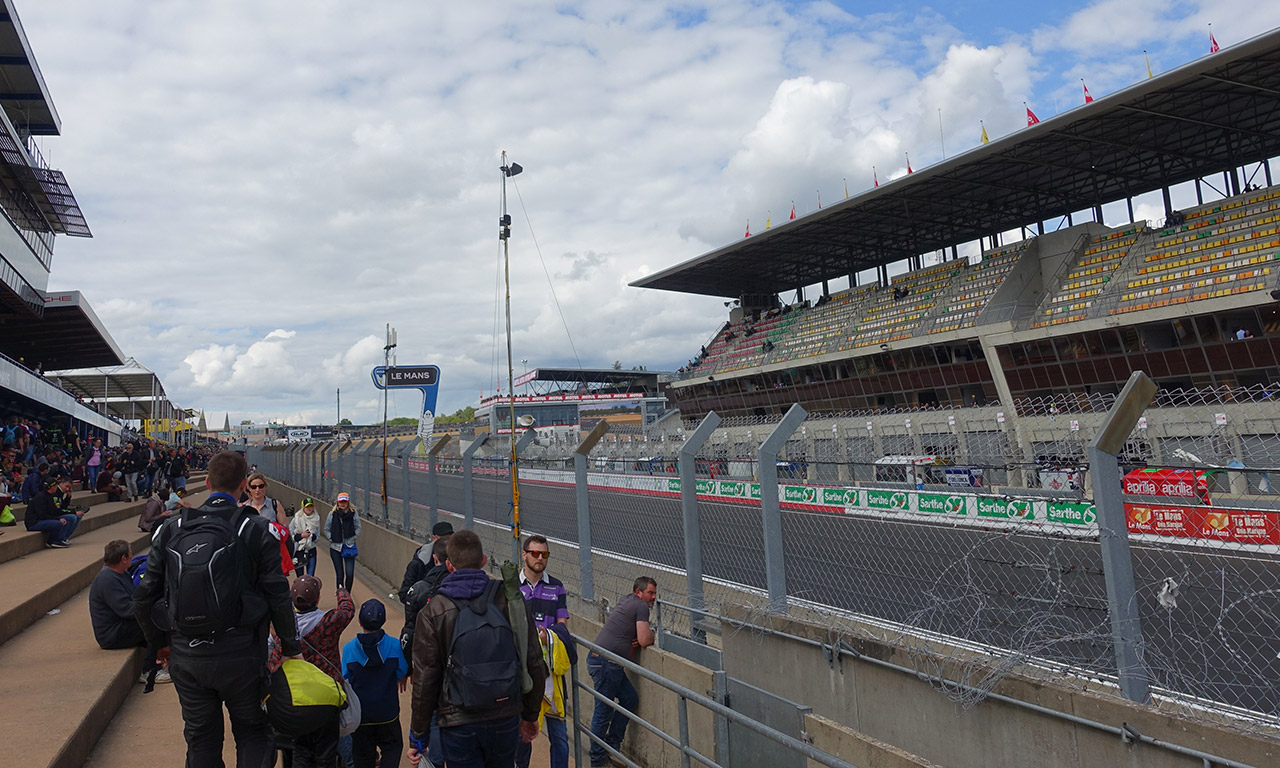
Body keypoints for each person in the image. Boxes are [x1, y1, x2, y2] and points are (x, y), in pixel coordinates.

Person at [132, 449, 302, 767]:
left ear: (208, 482)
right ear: (243, 486)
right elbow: (278, 596)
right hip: (243, 655)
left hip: (188, 654)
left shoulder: (171, 528)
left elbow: (143, 597)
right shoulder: (255, 529)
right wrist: (291, 648)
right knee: (253, 733)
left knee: (201, 740)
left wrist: (160, 645)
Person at [407, 529, 548, 768]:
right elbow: (533, 659)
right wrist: (530, 715)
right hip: (505, 714)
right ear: (483, 561)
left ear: (449, 565)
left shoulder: (434, 610)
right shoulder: (509, 599)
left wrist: (418, 736)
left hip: (458, 719)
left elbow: (425, 678)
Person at [270, 574, 354, 767]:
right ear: (318, 599)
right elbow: (347, 610)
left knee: (301, 749)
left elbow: (273, 664)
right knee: (326, 752)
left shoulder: (285, 629)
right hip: (327, 695)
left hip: (299, 696)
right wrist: (341, 591)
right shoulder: (329, 622)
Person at [588, 577, 658, 767]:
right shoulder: (641, 606)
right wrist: (652, 635)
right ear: (639, 592)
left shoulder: (627, 600)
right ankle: (597, 760)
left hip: (604, 661)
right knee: (603, 711)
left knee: (629, 699)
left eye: (654, 593)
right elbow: (644, 640)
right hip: (606, 663)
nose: (653, 597)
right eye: (650, 593)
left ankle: (612, 746)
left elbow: (627, 628)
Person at [516, 535, 571, 768]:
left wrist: (547, 636)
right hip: (523, 672)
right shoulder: (511, 586)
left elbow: (562, 627)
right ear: (524, 555)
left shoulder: (556, 586)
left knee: (559, 735)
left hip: (551, 673)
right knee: (522, 734)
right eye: (535, 553)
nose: (540, 558)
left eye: (544, 554)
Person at [89, 539, 169, 683]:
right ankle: (149, 671)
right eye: (130, 554)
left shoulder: (121, 574)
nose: (132, 557)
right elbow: (126, 610)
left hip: (121, 625)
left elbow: (135, 599)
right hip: (111, 633)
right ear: (123, 559)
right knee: (153, 624)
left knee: (158, 621)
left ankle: (163, 660)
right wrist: (151, 609)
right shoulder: (106, 580)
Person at [343, 599, 409, 768]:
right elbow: (401, 670)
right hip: (388, 712)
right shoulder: (394, 645)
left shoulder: (349, 649)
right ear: (384, 620)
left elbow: (345, 678)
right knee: (392, 747)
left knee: (362, 755)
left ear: (359, 621)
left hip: (362, 714)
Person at [399, 521, 454, 605]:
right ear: (434, 538)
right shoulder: (419, 562)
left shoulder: (458, 559)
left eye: (450, 538)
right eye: (444, 538)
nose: (448, 542)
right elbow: (404, 594)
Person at [24, 476, 83, 548]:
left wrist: (68, 498)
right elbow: (42, 514)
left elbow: (57, 509)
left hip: (42, 518)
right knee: (60, 522)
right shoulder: (41, 497)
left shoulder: (50, 496)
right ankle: (54, 541)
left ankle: (62, 539)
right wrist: (58, 518)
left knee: (70, 518)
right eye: (55, 486)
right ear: (52, 487)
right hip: (34, 522)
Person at [327, 493, 361, 591]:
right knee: (340, 574)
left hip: (349, 546)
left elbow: (358, 527)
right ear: (338, 503)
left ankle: (348, 594)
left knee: (349, 574)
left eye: (344, 502)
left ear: (348, 502)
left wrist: (352, 538)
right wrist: (332, 538)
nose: (343, 504)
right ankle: (341, 595)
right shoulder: (332, 514)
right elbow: (327, 529)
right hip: (335, 547)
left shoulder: (353, 513)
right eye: (341, 502)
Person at [291, 498, 322, 576]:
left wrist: (311, 536)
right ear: (303, 507)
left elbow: (317, 538)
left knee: (310, 576)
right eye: (307, 506)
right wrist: (301, 536)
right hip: (299, 550)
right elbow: (290, 536)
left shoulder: (316, 519)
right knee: (300, 577)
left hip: (311, 550)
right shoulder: (296, 519)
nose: (309, 508)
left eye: (311, 506)